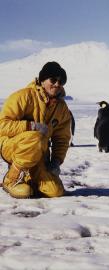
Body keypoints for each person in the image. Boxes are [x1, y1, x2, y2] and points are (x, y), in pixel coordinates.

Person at [0, 61, 71, 199]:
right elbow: (2, 124)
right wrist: (29, 126)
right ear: (43, 80)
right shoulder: (23, 96)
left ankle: (29, 177)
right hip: (12, 146)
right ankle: (12, 179)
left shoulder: (61, 108)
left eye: (61, 81)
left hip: (39, 153)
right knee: (36, 137)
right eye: (53, 80)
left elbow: (62, 138)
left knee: (55, 191)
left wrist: (56, 161)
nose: (57, 84)